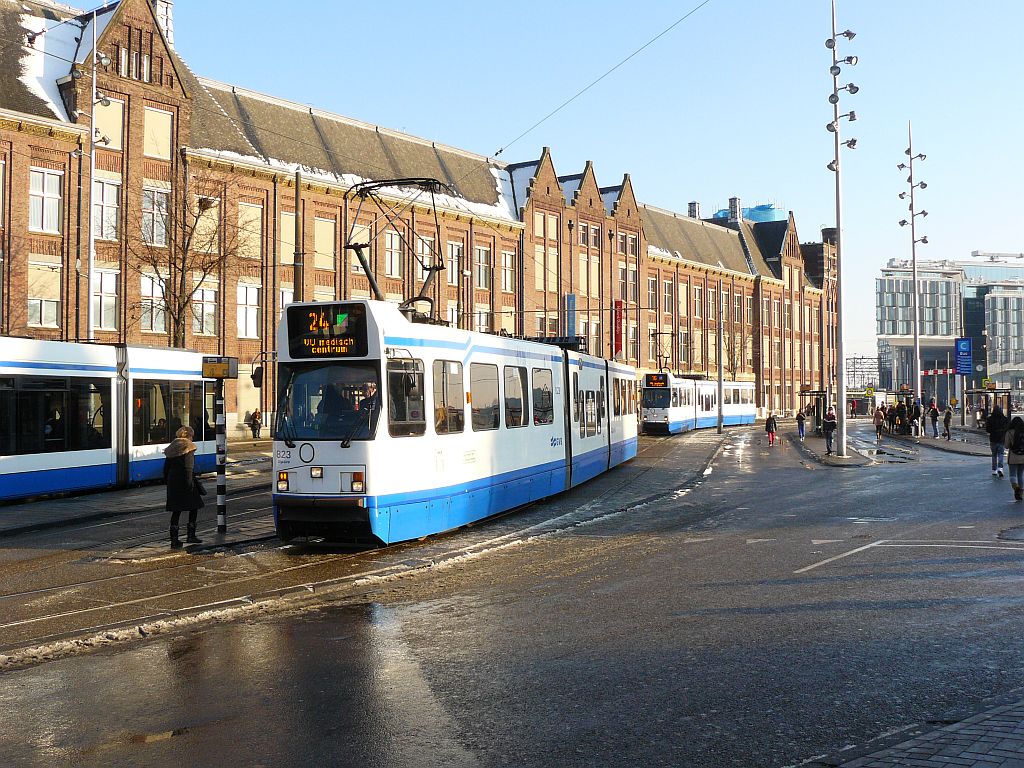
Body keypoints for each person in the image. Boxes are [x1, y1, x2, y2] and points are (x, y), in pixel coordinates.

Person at [163, 426, 204, 549]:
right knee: (195, 506)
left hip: (173, 482)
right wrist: (190, 485)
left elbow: (165, 469)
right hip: (185, 481)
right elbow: (188, 468)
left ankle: (174, 540)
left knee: (176, 511)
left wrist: (168, 482)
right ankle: (191, 535)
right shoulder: (188, 447)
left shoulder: (172, 448)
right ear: (189, 436)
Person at [987, 404, 1009, 478]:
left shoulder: (990, 419)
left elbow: (988, 429)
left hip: (993, 439)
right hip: (1001, 439)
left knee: (994, 455)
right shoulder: (1004, 418)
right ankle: (1000, 468)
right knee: (1001, 454)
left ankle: (994, 470)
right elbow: (1007, 428)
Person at [1006, 416, 1024, 501]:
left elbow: (1006, 445)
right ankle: (1021, 492)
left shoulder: (1009, 432)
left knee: (1012, 474)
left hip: (1013, 456)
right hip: (1023, 456)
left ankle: (1016, 488)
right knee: (1020, 474)